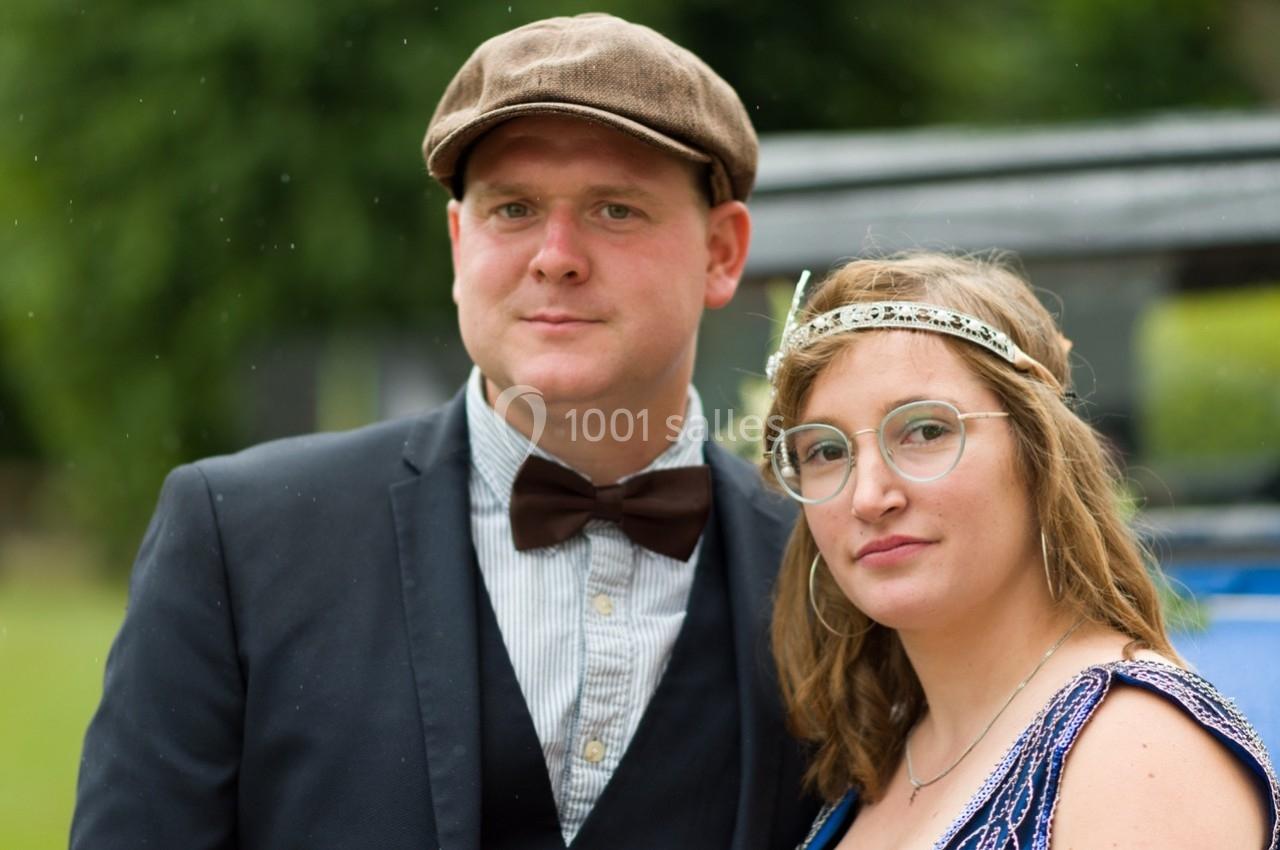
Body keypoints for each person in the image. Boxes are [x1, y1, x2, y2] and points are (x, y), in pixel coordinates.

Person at [71, 14, 819, 849]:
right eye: (514, 208)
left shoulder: (827, 570)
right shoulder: (238, 539)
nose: (556, 255)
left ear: (723, 253)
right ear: (460, 242)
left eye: (615, 208)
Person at [761, 254, 1280, 849]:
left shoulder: (1135, 750)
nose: (869, 496)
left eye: (926, 431)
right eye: (826, 451)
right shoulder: (887, 755)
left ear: (1040, 454)